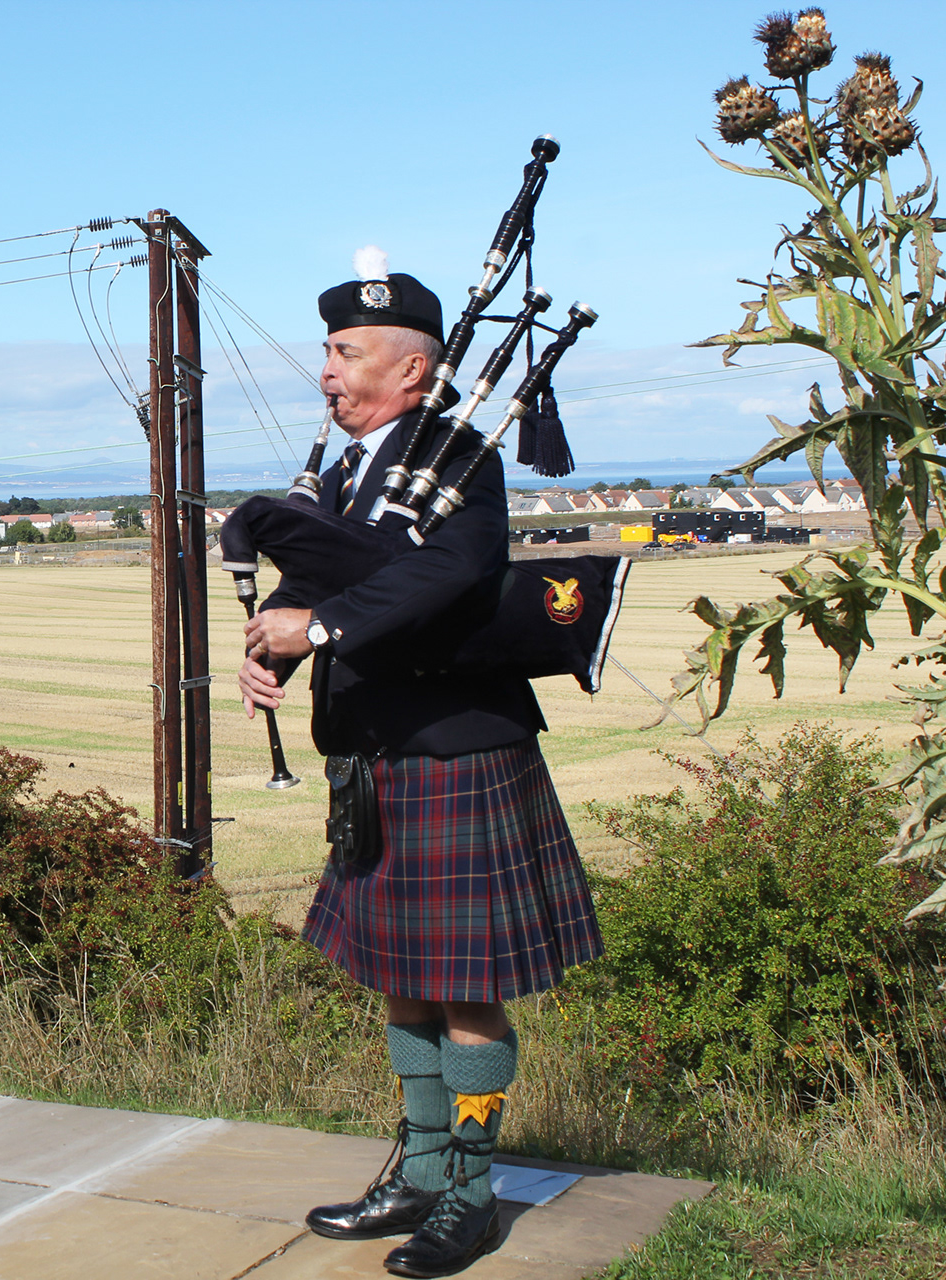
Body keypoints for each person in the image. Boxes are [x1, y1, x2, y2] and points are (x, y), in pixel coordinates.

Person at [237, 266, 601, 1278]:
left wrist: (324, 623)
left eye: (346, 354)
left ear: (414, 365)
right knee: (401, 978)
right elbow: (320, 569)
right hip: (372, 752)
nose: (326, 373)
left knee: (466, 985)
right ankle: (423, 1171)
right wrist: (272, 636)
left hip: (457, 746)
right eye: (328, 353)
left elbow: (445, 573)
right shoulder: (355, 472)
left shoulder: (462, 460)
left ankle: (474, 1195)